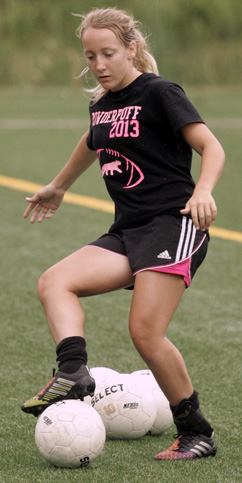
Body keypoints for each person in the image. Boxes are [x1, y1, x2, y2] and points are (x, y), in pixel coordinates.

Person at [21, 7, 225, 460]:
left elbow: (211, 146)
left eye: (108, 53)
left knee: (145, 332)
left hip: (175, 224)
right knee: (54, 282)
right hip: (129, 231)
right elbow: (91, 141)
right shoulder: (102, 105)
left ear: (131, 48)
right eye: (90, 55)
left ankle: (197, 431)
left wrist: (204, 190)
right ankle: (73, 371)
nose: (99, 64)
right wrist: (58, 186)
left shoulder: (160, 92)